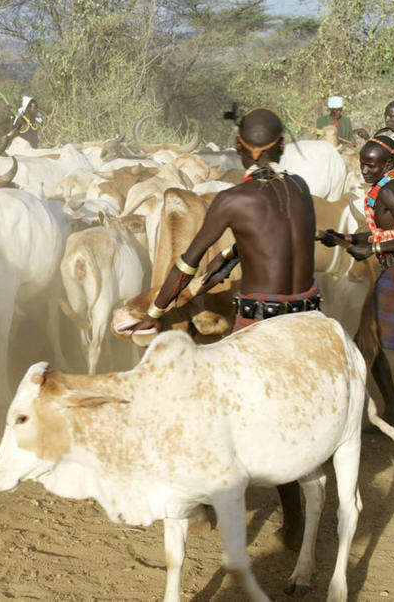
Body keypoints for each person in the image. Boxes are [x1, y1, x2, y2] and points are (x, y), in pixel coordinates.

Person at [113, 108, 319, 550]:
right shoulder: (300, 187)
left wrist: (158, 309)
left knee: (215, 408)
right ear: (282, 146)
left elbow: (184, 267)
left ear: (240, 148)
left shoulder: (231, 200)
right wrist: (226, 263)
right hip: (309, 315)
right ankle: (296, 514)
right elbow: (272, 242)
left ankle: (205, 501)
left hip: (262, 321)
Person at [319, 134, 394, 429]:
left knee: (366, 343)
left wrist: (373, 250)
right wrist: (343, 239)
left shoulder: (389, 192)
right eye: (362, 164)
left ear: (389, 163)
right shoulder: (387, 186)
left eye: (372, 166)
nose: (365, 171)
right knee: (366, 342)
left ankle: (380, 411)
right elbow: (385, 232)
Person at [353, 94, 394, 184]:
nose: (387, 119)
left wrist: (393, 191)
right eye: (385, 115)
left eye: (391, 116)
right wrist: (367, 138)